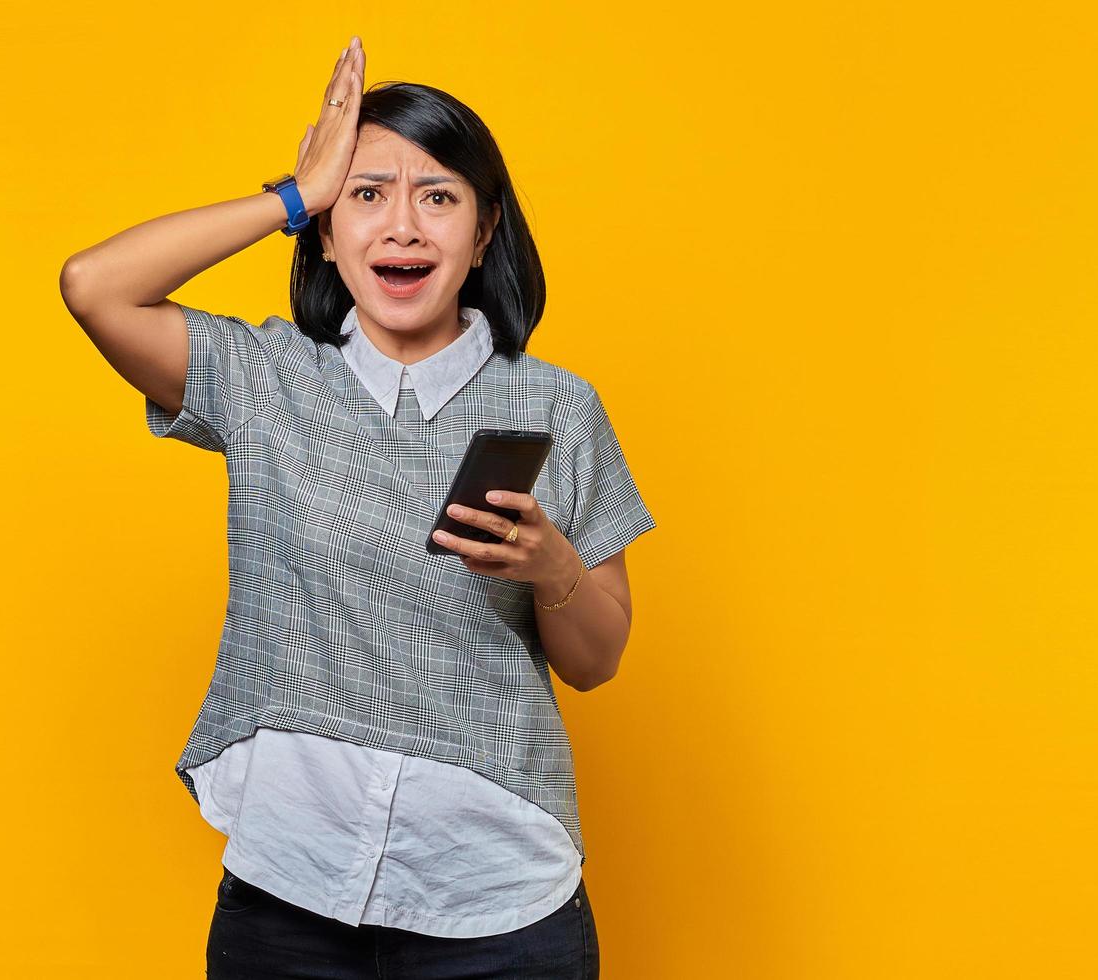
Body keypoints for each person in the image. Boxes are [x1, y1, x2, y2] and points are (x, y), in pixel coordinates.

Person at [60, 34, 654, 980]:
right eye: (367, 195)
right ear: (328, 235)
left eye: (439, 197)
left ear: (486, 228)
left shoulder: (556, 407)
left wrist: (554, 570)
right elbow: (93, 287)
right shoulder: (262, 379)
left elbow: (598, 662)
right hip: (287, 897)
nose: (404, 228)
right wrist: (293, 193)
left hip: (497, 906)